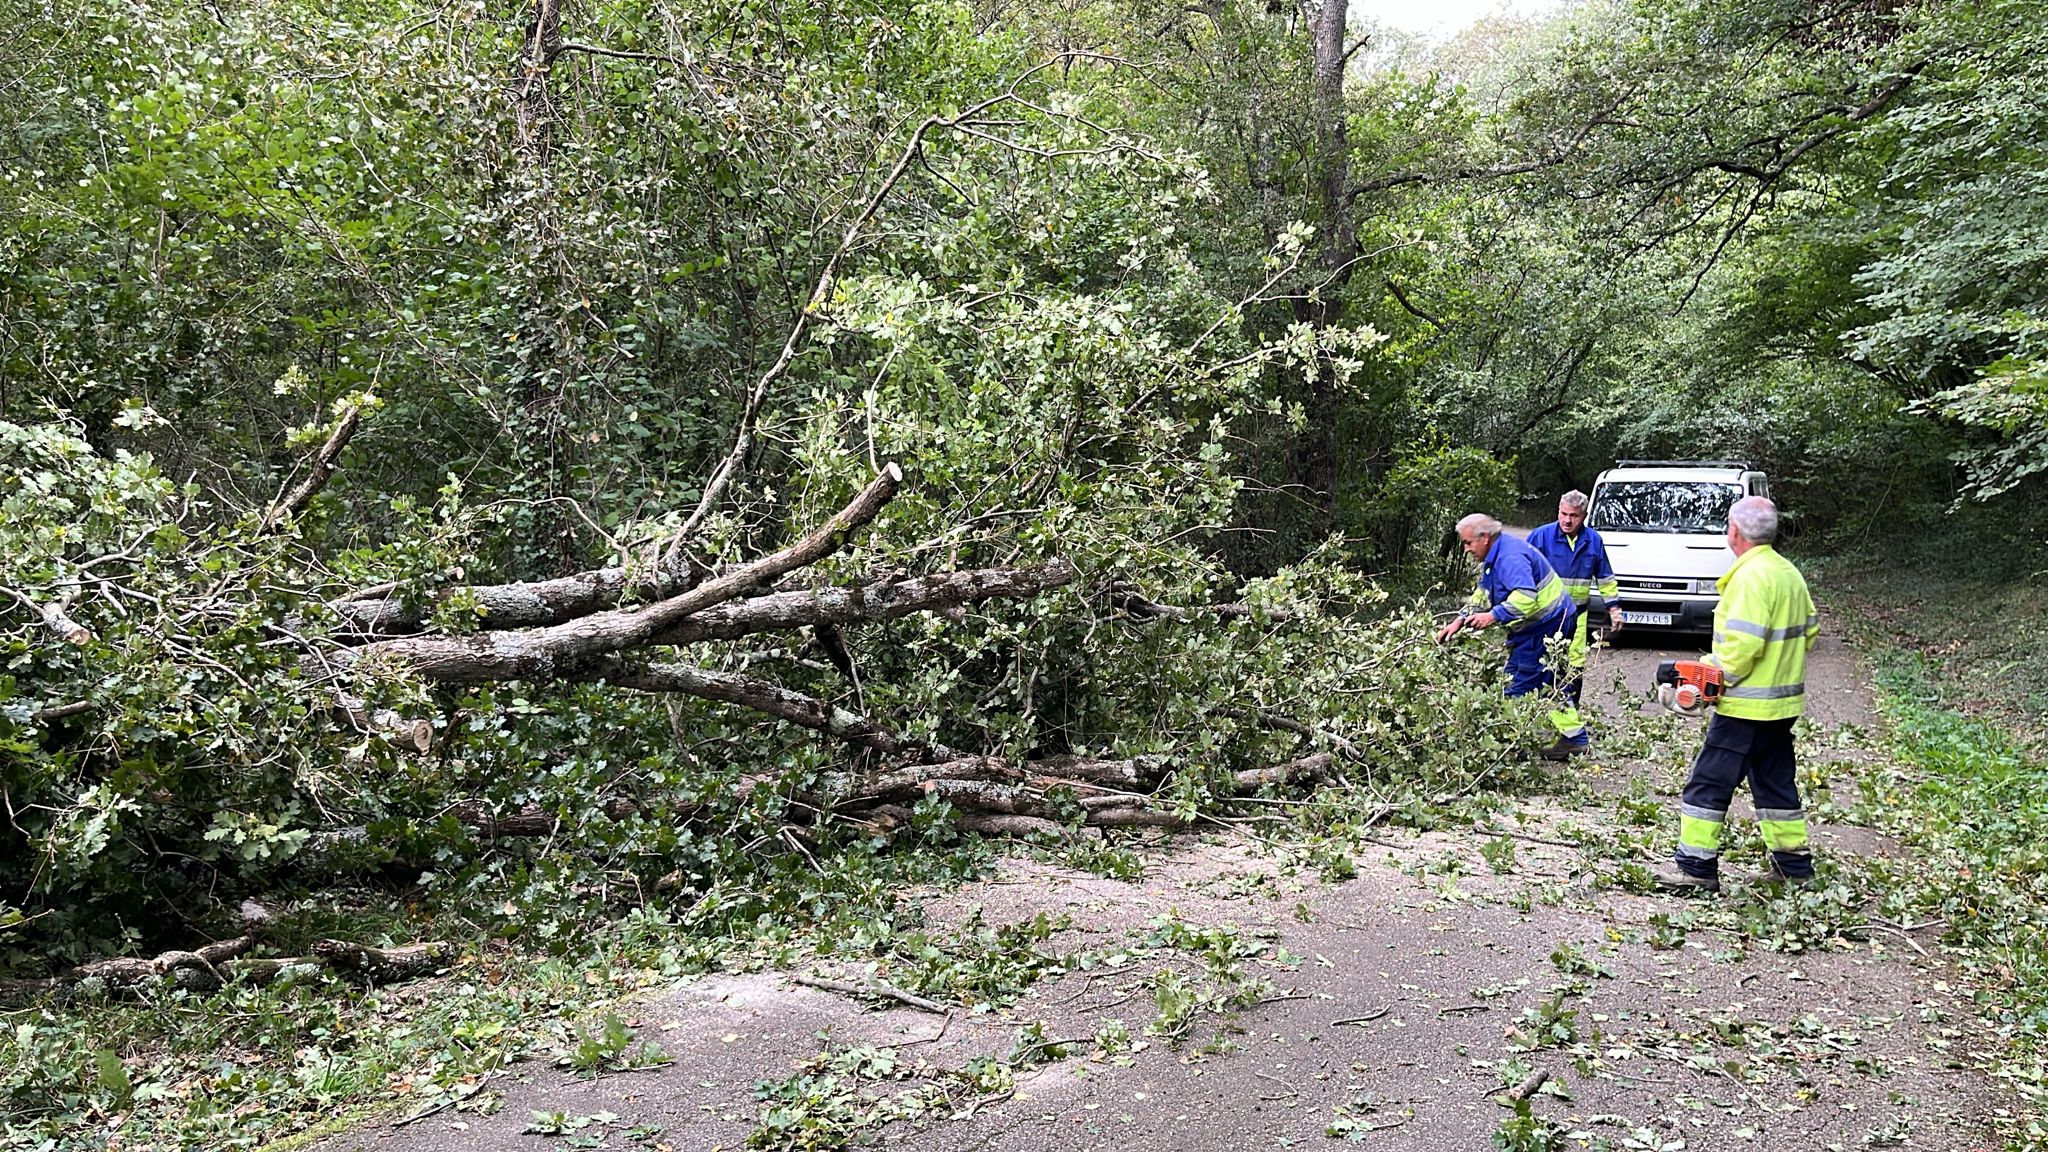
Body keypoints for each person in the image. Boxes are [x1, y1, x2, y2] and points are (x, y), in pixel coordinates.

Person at [1654, 496, 1820, 893]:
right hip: (1781, 706)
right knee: (1774, 783)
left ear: (1734, 531)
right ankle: (1794, 868)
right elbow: (1810, 631)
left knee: (1708, 783)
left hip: (1746, 707)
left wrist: (1699, 685)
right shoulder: (1788, 573)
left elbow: (1739, 652)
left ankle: (1695, 867)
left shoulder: (1750, 578)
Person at [1435, 513, 1590, 759]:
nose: (1466, 549)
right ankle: (1575, 738)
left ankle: (1511, 745)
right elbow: (1482, 595)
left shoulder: (1510, 558)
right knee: (1549, 682)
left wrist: (1492, 616)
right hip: (1544, 622)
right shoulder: (1494, 556)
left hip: (1548, 624)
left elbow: (1526, 599)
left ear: (1484, 538)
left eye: (1468, 543)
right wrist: (1459, 620)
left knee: (1519, 684)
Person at [1524, 490, 1622, 719]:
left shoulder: (1593, 541)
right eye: (1564, 514)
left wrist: (1614, 608)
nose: (1568, 520)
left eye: (1574, 516)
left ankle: (1568, 720)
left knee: (1573, 669)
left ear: (1584, 515)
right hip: (1544, 618)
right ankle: (1531, 718)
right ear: (1558, 510)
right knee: (1540, 665)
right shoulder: (1540, 537)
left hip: (1577, 617)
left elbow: (1605, 578)